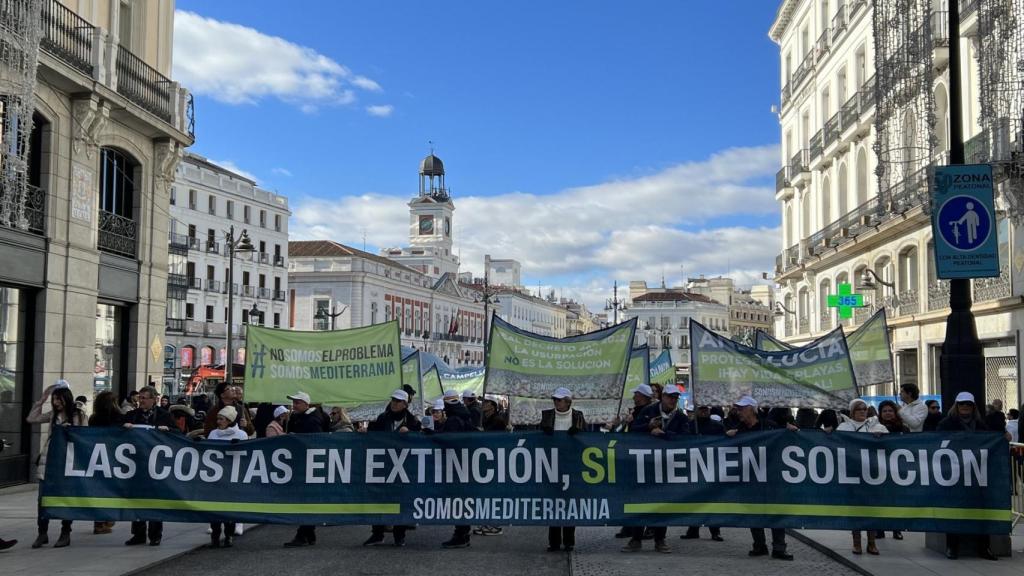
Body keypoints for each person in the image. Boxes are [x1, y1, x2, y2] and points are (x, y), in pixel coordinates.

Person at [726, 395, 796, 561]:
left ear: (752, 409)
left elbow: (788, 438)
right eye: (738, 408)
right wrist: (727, 435)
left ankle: (779, 548)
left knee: (776, 512)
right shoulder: (738, 430)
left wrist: (792, 430)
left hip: (772, 478)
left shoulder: (770, 426)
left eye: (742, 408)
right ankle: (759, 545)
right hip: (751, 479)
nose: (739, 411)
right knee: (753, 512)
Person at [622, 385, 687, 553]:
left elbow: (686, 438)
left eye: (675, 398)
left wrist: (664, 435)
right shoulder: (648, 410)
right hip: (645, 464)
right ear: (663, 396)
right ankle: (636, 538)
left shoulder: (680, 416)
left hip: (666, 465)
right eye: (670, 397)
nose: (673, 400)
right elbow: (633, 430)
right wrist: (648, 427)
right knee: (640, 501)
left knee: (663, 503)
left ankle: (660, 539)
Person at [937, 391, 998, 561]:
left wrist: (1004, 437)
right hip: (954, 473)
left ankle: (984, 547)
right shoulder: (946, 424)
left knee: (981, 511)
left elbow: (993, 440)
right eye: (962, 404)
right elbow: (938, 442)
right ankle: (952, 546)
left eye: (968, 404)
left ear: (973, 406)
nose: (965, 407)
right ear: (956, 406)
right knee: (954, 511)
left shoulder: (981, 424)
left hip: (977, 474)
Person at [27, 380, 86, 549]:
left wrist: (71, 431)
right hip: (49, 461)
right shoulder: (53, 414)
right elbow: (32, 418)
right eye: (54, 399)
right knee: (42, 499)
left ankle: (65, 532)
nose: (56, 402)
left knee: (66, 499)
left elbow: (85, 437)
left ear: (66, 399)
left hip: (68, 462)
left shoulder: (78, 415)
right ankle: (42, 533)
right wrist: (41, 401)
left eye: (59, 399)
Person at [363, 390, 421, 547]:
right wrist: (365, 432)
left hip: (403, 467)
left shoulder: (412, 421)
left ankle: (399, 535)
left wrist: (411, 433)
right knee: (378, 499)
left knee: (401, 500)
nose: (394, 403)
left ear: (405, 404)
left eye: (398, 401)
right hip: (383, 465)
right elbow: (373, 434)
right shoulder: (383, 418)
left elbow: (420, 440)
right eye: (393, 400)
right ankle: (377, 533)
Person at [123, 386, 176, 546]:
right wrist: (125, 427)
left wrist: (168, 430)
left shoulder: (164, 415)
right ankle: (138, 534)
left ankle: (155, 534)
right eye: (140, 398)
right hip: (137, 462)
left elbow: (178, 433)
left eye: (144, 398)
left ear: (154, 399)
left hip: (156, 464)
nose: (141, 401)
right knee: (137, 499)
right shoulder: (132, 415)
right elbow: (117, 429)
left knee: (155, 499)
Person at [836, 398, 888, 555]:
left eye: (864, 409)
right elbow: (835, 442)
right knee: (855, 509)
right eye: (859, 409)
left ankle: (871, 543)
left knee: (872, 509)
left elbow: (889, 441)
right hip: (852, 473)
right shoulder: (844, 427)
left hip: (872, 474)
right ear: (852, 412)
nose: (862, 412)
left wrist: (882, 436)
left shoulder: (876, 426)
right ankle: (856, 542)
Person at [541, 387, 585, 553]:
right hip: (551, 464)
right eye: (554, 399)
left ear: (568, 401)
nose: (556, 402)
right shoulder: (547, 415)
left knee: (569, 503)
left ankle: (569, 541)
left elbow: (587, 439)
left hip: (572, 465)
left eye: (559, 400)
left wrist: (579, 433)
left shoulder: (578, 416)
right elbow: (539, 437)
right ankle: (553, 542)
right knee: (553, 504)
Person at [283, 391, 331, 548]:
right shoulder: (302, 417)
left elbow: (315, 442)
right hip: (307, 463)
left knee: (306, 499)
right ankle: (308, 533)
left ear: (306, 404)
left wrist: (295, 437)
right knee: (307, 499)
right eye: (293, 402)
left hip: (310, 464)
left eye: (297, 402)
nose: (294, 405)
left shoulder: (312, 420)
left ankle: (303, 534)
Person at [205, 406, 249, 547]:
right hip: (215, 476)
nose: (218, 421)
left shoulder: (241, 435)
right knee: (214, 508)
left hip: (231, 476)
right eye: (218, 419)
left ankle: (229, 534)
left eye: (221, 419)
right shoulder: (213, 433)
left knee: (229, 507)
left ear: (229, 420)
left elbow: (246, 454)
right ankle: (215, 537)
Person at [437, 390, 476, 548]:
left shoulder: (454, 419)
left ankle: (460, 535)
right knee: (462, 501)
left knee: (458, 501)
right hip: (465, 464)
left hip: (456, 465)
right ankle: (463, 534)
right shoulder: (465, 416)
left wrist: (432, 434)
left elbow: (448, 440)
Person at [681, 404, 724, 542]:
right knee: (695, 499)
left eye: (706, 409)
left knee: (712, 500)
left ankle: (715, 530)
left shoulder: (717, 426)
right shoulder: (689, 426)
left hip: (712, 467)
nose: (704, 411)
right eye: (701, 409)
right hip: (694, 467)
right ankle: (693, 529)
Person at [88, 391, 123, 535]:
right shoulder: (119, 418)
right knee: (112, 490)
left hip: (97, 457)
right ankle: (108, 518)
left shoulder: (94, 418)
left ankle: (99, 522)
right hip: (113, 457)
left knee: (99, 490)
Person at [875, 400, 907, 540]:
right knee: (879, 500)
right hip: (879, 469)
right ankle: (879, 529)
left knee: (896, 500)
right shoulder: (874, 428)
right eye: (884, 411)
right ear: (880, 413)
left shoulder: (903, 428)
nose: (887, 413)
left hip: (897, 469)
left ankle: (896, 529)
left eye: (890, 411)